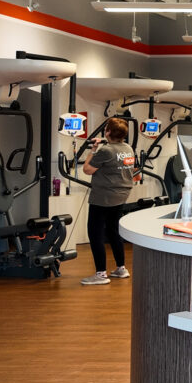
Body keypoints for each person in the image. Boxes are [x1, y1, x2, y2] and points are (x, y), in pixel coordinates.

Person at [80, 118, 135, 285]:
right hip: (121, 196)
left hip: (103, 198)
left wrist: (93, 149)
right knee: (113, 231)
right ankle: (121, 268)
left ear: (108, 132)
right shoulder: (128, 149)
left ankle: (101, 274)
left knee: (95, 234)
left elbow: (87, 169)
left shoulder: (106, 150)